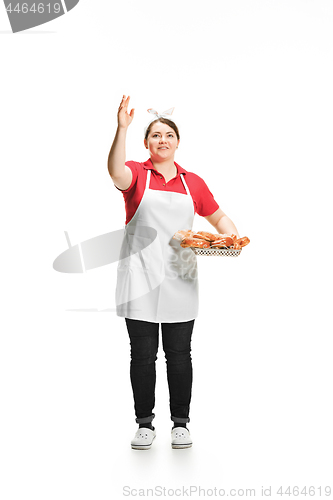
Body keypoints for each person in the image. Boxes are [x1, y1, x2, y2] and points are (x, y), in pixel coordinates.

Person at [107, 95, 240, 450]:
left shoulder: (192, 182)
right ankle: (145, 424)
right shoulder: (136, 173)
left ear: (178, 142)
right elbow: (114, 171)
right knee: (142, 354)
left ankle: (180, 423)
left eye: (168, 135)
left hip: (181, 277)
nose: (162, 140)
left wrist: (230, 235)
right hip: (140, 277)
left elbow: (218, 217)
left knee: (180, 354)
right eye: (154, 135)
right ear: (146, 142)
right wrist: (121, 128)